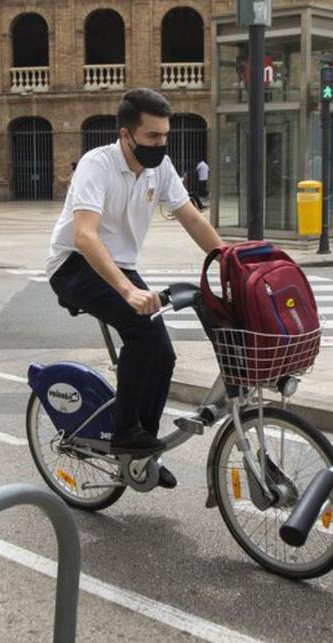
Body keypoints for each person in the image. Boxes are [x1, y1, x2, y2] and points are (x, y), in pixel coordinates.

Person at [46, 88, 224, 487]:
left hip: (117, 264)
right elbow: (86, 236)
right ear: (126, 135)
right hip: (73, 264)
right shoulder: (98, 164)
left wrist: (227, 259)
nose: (161, 145)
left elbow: (192, 219)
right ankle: (126, 433)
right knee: (141, 332)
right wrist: (128, 291)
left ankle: (142, 445)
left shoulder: (159, 169)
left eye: (165, 136)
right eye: (152, 137)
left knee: (163, 353)